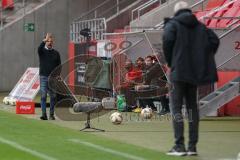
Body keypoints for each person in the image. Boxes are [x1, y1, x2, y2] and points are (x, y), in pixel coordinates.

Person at [163, 1, 219, 156]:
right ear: (189, 11)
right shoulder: (200, 26)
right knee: (192, 108)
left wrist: (170, 61)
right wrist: (202, 57)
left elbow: (167, 42)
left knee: (176, 108)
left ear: (176, 12)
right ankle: (192, 147)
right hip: (193, 72)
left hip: (178, 72)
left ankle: (179, 146)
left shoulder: (173, 24)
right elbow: (215, 41)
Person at [38, 33, 61, 120]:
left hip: (53, 78)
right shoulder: (42, 51)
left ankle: (51, 115)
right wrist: (43, 41)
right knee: (43, 96)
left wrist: (58, 75)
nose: (50, 43)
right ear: (45, 42)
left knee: (53, 96)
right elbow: (39, 48)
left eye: (51, 41)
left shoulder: (56, 53)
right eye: (48, 41)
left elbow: (59, 65)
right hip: (43, 76)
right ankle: (44, 114)